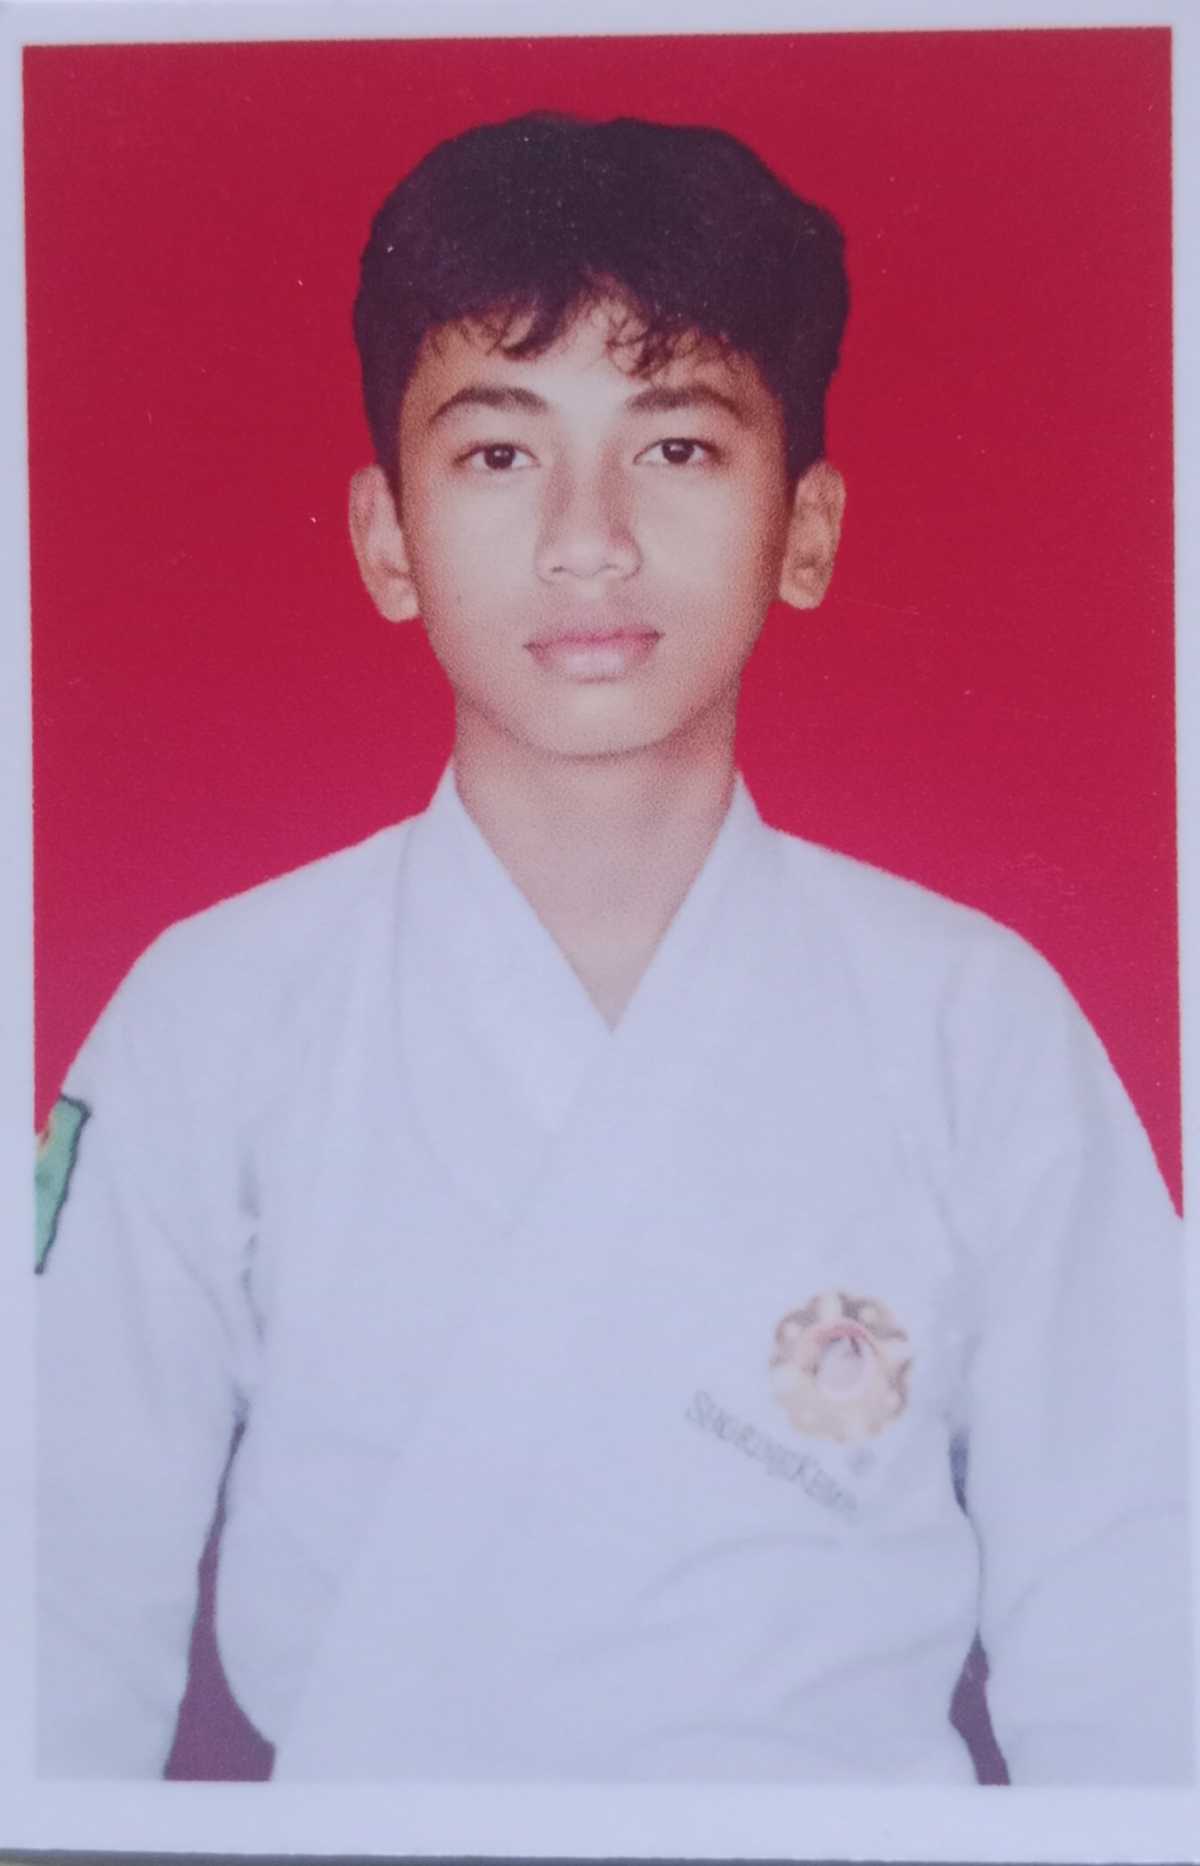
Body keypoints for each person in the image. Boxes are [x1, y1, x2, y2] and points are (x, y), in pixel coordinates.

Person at [35, 111, 1192, 1786]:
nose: (591, 536)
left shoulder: (974, 1021)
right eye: (501, 455)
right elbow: (50, 1602)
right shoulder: (214, 1011)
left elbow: (1144, 1619)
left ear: (807, 526)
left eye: (680, 446)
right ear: (385, 536)